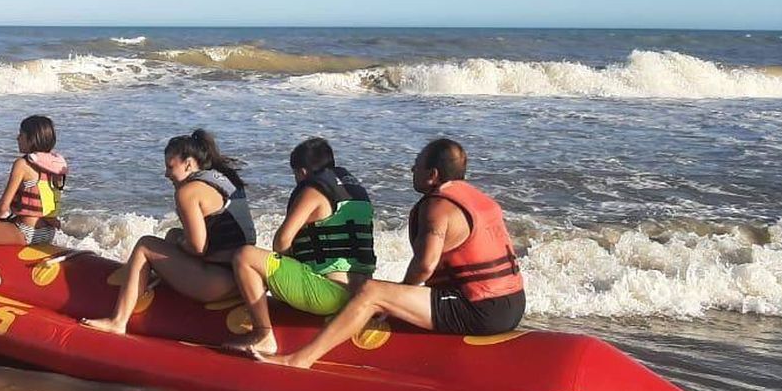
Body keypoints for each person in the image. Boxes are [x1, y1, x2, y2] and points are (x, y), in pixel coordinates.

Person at [265, 138, 526, 369]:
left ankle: (301, 359)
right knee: (381, 293)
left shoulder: (438, 206)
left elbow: (425, 266)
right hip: (514, 304)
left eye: (417, 164)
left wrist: (394, 301)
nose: (412, 169)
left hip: (479, 310)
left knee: (372, 292)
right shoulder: (480, 199)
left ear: (433, 174)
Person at [81, 130, 253, 333]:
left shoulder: (188, 192)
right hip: (244, 279)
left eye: (170, 166)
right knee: (172, 234)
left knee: (146, 245)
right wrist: (177, 240)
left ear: (188, 164)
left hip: (218, 283)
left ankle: (118, 321)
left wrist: (180, 243)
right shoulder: (222, 180)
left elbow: (198, 247)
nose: (166, 174)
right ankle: (159, 288)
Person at [225, 138, 376, 355]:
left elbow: (282, 242)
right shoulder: (356, 193)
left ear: (302, 172)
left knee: (245, 256)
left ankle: (263, 335)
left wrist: (286, 265)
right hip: (361, 293)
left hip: (329, 294)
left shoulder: (313, 192)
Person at [0, 115, 68, 292]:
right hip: (47, 232)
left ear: (32, 139)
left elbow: (3, 206)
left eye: (21, 135)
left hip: (26, 232)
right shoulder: (56, 165)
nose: (17, 138)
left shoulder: (22, 164)